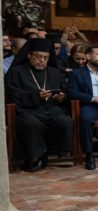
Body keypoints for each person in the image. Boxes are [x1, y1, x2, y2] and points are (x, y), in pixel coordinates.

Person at [4, 38, 73, 171]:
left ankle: (55, 150)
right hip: (27, 109)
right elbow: (12, 94)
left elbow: (65, 91)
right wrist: (36, 96)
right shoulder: (16, 71)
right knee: (30, 124)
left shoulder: (55, 72)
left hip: (52, 108)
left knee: (64, 120)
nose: (42, 60)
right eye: (38, 56)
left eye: (46, 57)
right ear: (29, 55)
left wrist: (62, 97)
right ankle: (36, 156)